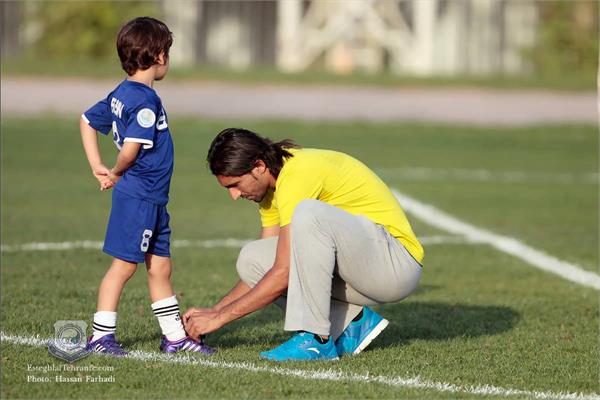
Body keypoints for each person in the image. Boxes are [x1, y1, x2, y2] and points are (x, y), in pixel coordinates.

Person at [183, 128, 423, 361]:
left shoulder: (297, 174)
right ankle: (351, 323)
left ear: (258, 167)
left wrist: (221, 318)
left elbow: (283, 272)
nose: (234, 195)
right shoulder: (270, 190)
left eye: (235, 185)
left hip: (395, 265)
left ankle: (316, 340)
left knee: (308, 214)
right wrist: (215, 310)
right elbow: (269, 270)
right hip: (363, 269)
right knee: (252, 259)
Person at [79, 16, 213, 356]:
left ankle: (174, 338)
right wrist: (114, 171)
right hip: (139, 197)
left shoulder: (121, 93)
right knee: (123, 267)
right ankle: (100, 337)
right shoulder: (145, 102)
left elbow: (86, 120)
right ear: (159, 57)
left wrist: (95, 164)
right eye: (167, 51)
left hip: (153, 198)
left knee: (161, 266)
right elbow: (130, 150)